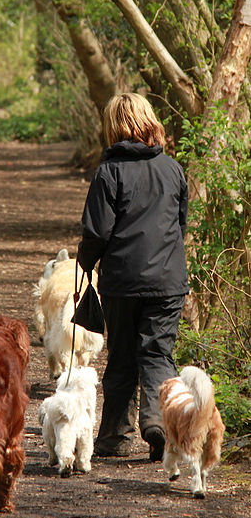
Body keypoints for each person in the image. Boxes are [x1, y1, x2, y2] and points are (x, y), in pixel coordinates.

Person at [76, 92, 189, 462]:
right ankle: (159, 423)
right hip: (168, 281)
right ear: (150, 122)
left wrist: (86, 262)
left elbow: (97, 232)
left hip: (122, 282)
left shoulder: (109, 172)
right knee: (158, 353)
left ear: (113, 127)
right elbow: (180, 224)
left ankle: (114, 437)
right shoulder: (173, 169)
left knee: (122, 354)